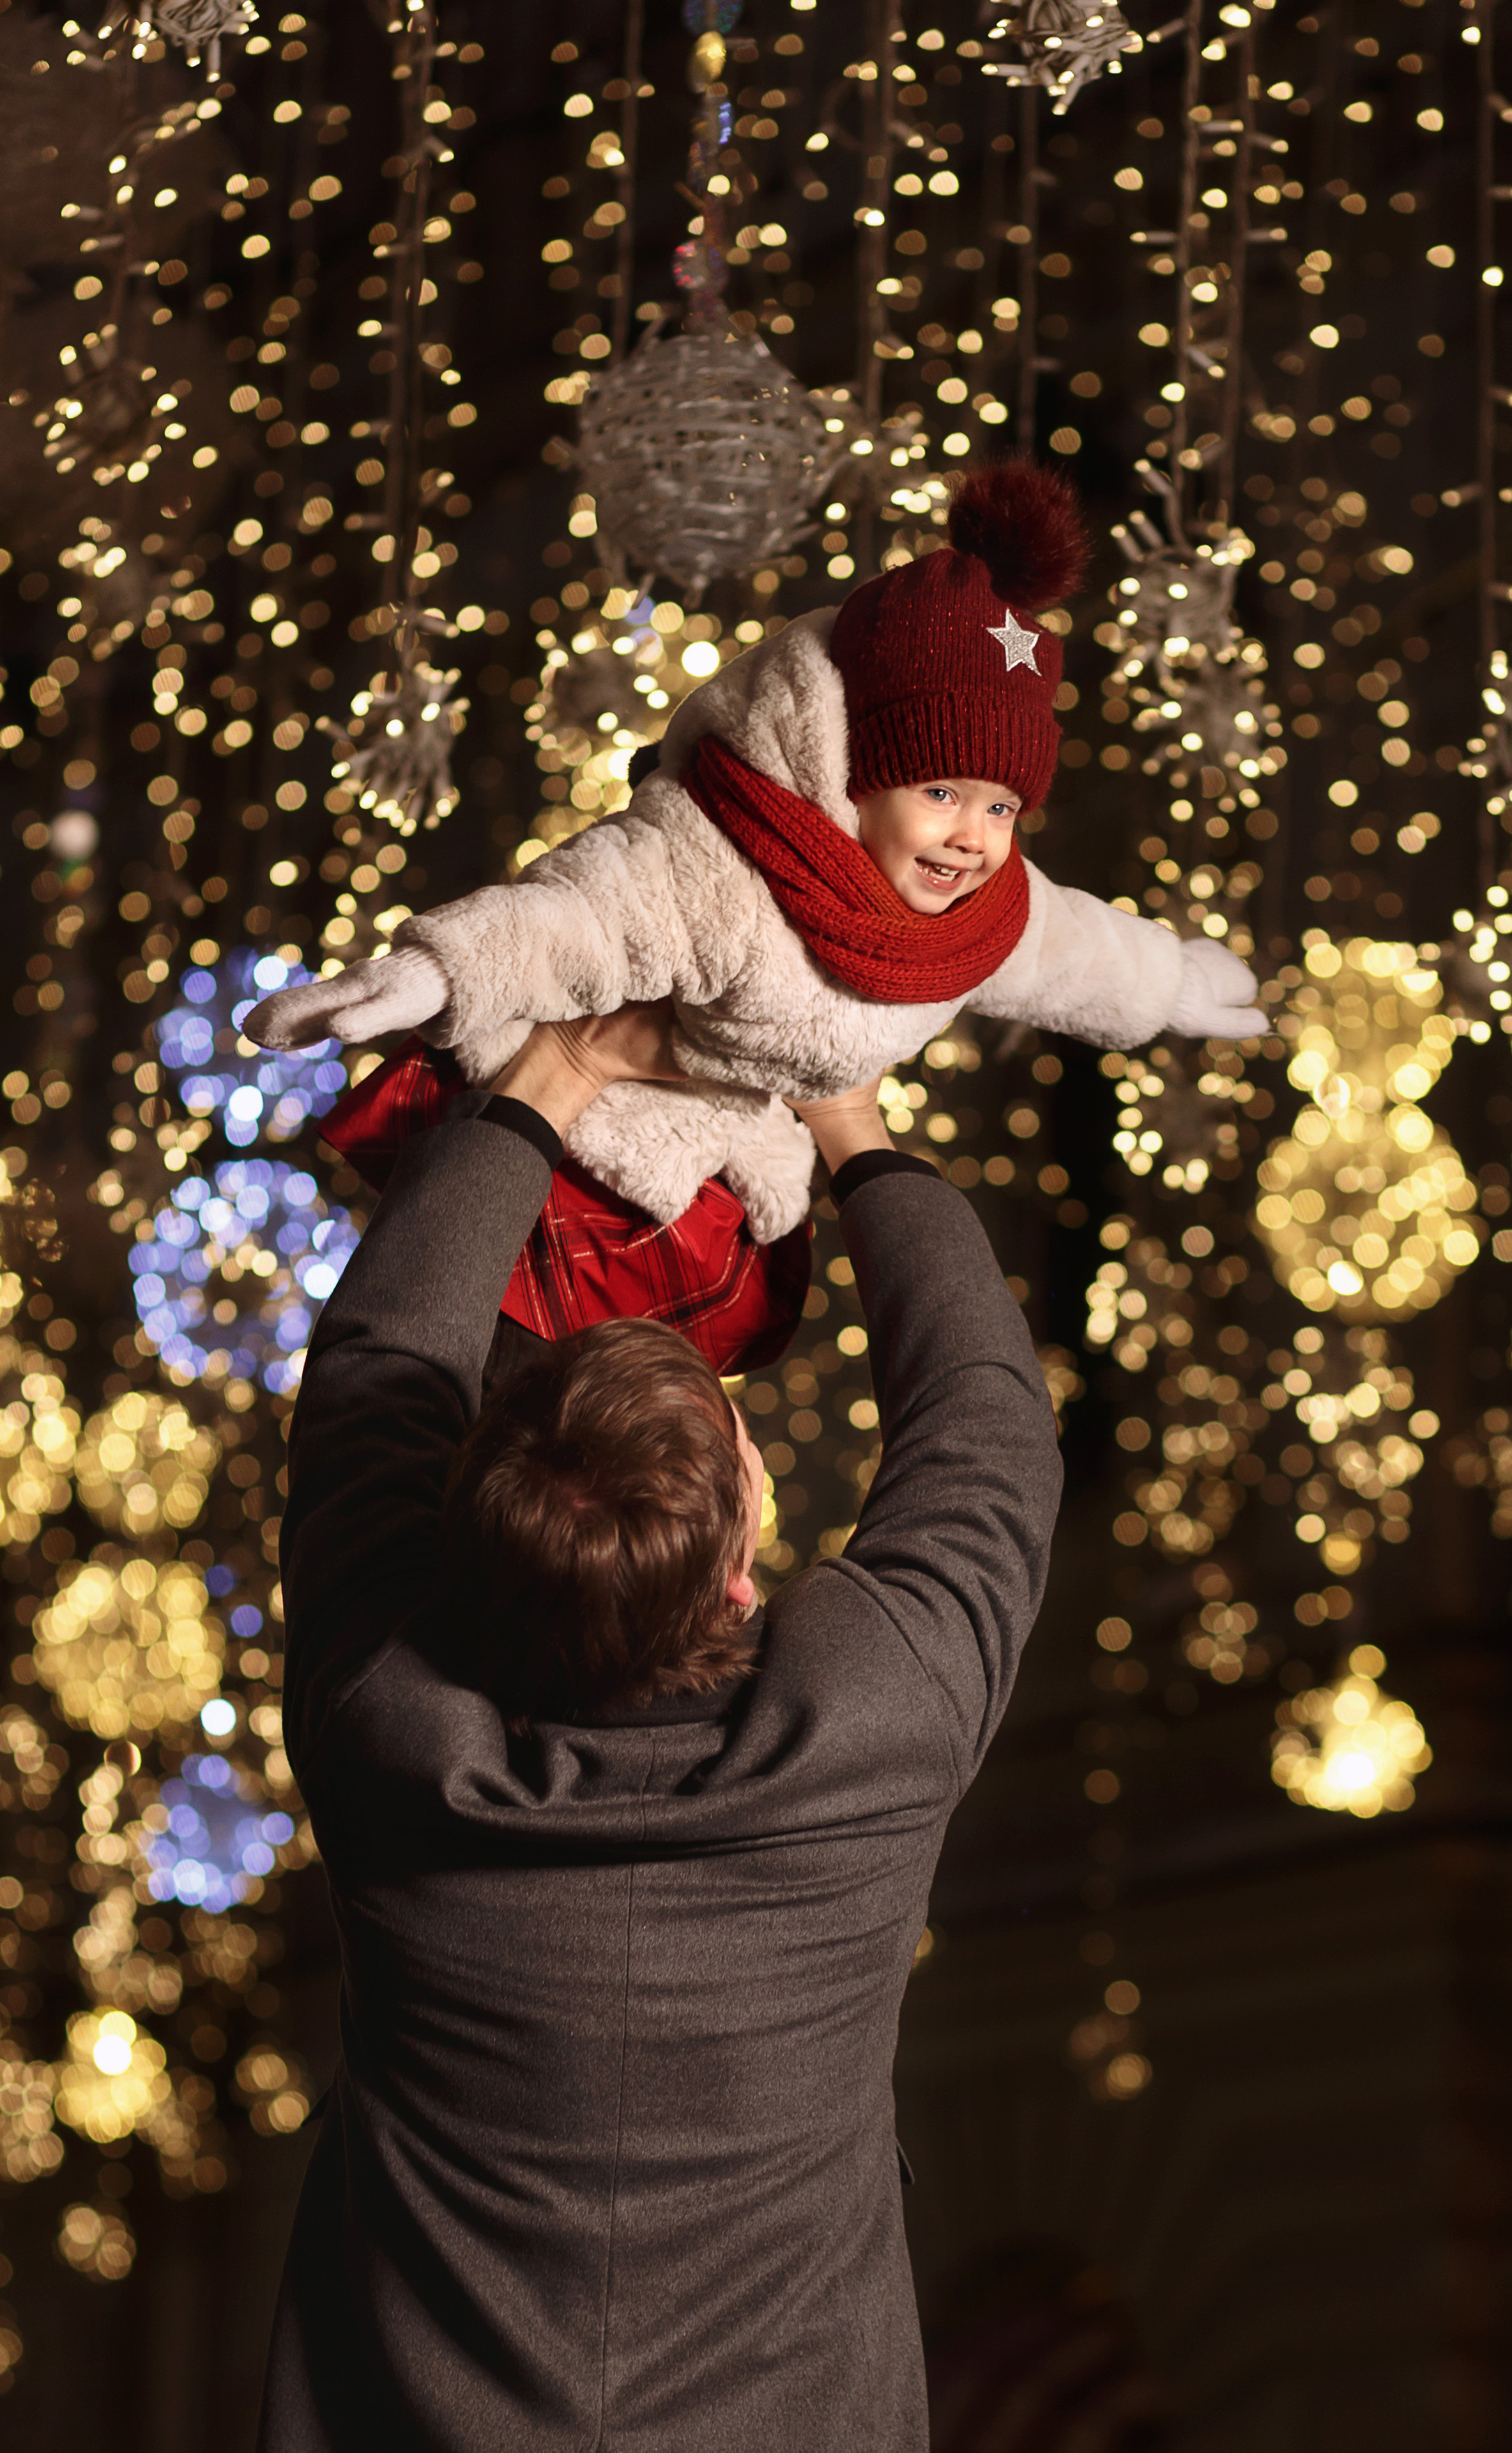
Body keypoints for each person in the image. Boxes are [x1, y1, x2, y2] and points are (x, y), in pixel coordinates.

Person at [257, 998, 1063, 2453]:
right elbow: (992, 1421)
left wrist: (558, 1075)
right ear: (744, 1527)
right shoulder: (874, 1730)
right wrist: (844, 1120)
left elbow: (373, 1379)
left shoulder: (388, 1734)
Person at [248, 461, 1260, 1377]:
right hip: (588, 1145)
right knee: (512, 1388)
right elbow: (574, 916)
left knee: (669, 1405)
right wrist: (430, 973)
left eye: (1001, 807)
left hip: (732, 1166)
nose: (974, 838)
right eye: (940, 793)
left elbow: (1074, 950)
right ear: (853, 777)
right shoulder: (723, 862)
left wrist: (1170, 984)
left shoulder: (980, 911)